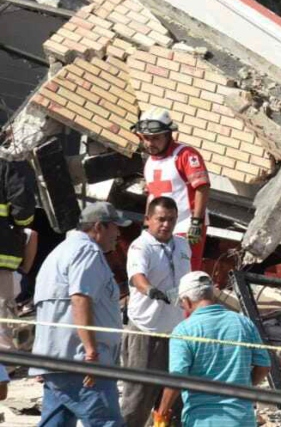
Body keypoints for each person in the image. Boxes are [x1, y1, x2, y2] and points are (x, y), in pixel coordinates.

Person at [32, 201, 129, 427]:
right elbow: (80, 298)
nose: (118, 232)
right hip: (80, 362)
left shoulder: (61, 252)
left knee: (56, 422)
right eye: (115, 226)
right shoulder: (87, 251)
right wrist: (91, 353)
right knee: (108, 422)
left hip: (57, 359)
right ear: (99, 227)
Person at [156, 271, 271, 427]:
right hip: (242, 419)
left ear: (187, 301)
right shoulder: (243, 323)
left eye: (182, 303)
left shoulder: (183, 331)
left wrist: (162, 412)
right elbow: (264, 366)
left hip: (202, 420)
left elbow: (177, 378)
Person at [121, 196, 191, 427]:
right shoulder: (141, 247)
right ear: (148, 219)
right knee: (138, 398)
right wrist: (151, 291)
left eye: (171, 220)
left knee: (172, 398)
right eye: (161, 219)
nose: (166, 225)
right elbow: (137, 277)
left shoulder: (182, 245)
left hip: (175, 331)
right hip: (146, 330)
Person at [132, 108, 211, 271]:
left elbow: (202, 187)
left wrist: (197, 222)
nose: (149, 143)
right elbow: (152, 196)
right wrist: (147, 225)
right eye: (145, 138)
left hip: (186, 226)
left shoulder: (185, 155)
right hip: (159, 227)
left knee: (185, 271)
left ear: (168, 135)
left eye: (155, 138)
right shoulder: (150, 162)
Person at [0, 158, 36, 350]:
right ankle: (5, 365)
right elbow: (22, 208)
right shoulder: (4, 168)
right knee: (1, 315)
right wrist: (21, 227)